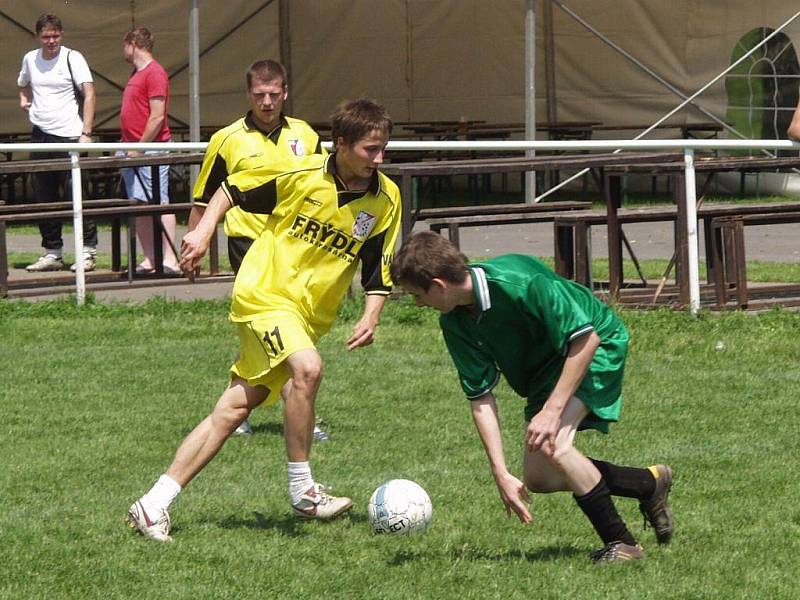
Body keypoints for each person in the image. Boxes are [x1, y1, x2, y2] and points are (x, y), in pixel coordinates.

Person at [127, 98, 402, 541]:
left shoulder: (385, 197)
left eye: (383, 148)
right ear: (342, 144)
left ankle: (153, 503)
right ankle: (303, 491)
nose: (379, 158)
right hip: (264, 295)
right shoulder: (301, 173)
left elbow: (378, 265)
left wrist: (372, 315)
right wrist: (201, 230)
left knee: (234, 408)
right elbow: (231, 189)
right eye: (371, 149)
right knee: (308, 369)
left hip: (307, 318)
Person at [390, 231, 674, 563]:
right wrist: (500, 471)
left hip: (595, 346)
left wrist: (552, 412)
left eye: (416, 295)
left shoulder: (518, 282)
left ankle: (623, 545)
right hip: (547, 369)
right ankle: (647, 483)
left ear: (438, 285)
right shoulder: (454, 321)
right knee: (540, 477)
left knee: (555, 443)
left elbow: (586, 339)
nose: (417, 304)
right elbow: (481, 397)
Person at [190, 58, 326, 437]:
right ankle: (263, 410)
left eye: (273, 94)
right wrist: (195, 241)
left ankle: (281, 408)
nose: (267, 102)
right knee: (268, 328)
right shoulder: (227, 139)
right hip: (248, 243)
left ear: (285, 92)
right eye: (259, 94)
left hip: (295, 246)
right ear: (249, 94)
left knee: (294, 326)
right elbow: (203, 199)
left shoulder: (306, 135)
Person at [18, 13, 98, 273]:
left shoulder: (72, 58)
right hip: (41, 135)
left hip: (70, 135)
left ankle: (87, 252)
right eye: (46, 36)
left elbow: (89, 93)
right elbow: (23, 83)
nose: (51, 41)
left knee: (78, 194)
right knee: (43, 196)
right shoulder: (30, 59)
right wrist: (24, 99)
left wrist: (86, 132)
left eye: (55, 36)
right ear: (37, 37)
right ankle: (52, 252)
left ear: (61, 35)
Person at [119, 27, 180, 274]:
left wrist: (140, 147)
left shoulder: (155, 73)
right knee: (139, 205)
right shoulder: (138, 73)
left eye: (124, 45)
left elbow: (157, 117)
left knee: (160, 202)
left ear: (133, 43)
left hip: (149, 150)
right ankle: (151, 258)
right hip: (132, 149)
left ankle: (170, 259)